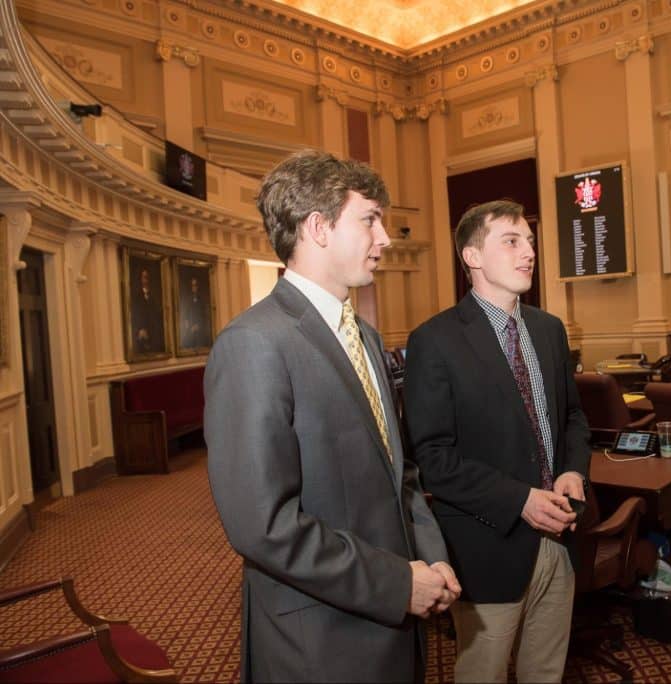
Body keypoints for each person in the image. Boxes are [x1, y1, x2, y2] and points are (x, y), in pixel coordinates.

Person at [205, 150, 460, 682]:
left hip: (394, 618)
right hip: (321, 643)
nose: (385, 237)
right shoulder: (254, 343)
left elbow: (400, 473)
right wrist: (395, 584)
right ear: (318, 227)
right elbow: (263, 526)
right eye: (370, 219)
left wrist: (432, 559)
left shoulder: (363, 334)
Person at [404, 200, 590, 683]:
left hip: (560, 540)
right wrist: (521, 500)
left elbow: (572, 418)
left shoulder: (549, 331)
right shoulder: (435, 340)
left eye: (529, 241)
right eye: (512, 240)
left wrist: (573, 470)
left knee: (544, 673)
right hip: (489, 543)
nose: (529, 252)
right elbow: (434, 459)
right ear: (472, 256)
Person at [132, 266, 165, 354]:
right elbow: (135, 316)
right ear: (141, 279)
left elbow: (156, 317)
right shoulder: (136, 297)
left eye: (147, 278)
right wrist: (140, 330)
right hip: (141, 335)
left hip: (153, 335)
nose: (146, 280)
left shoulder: (153, 297)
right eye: (144, 278)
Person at [179, 275, 212, 349]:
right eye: (193, 285)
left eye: (196, 285)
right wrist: (189, 326)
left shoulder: (202, 300)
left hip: (200, 331)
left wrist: (198, 325)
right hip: (190, 330)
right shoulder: (187, 300)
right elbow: (185, 315)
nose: (194, 287)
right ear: (191, 287)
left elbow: (204, 315)